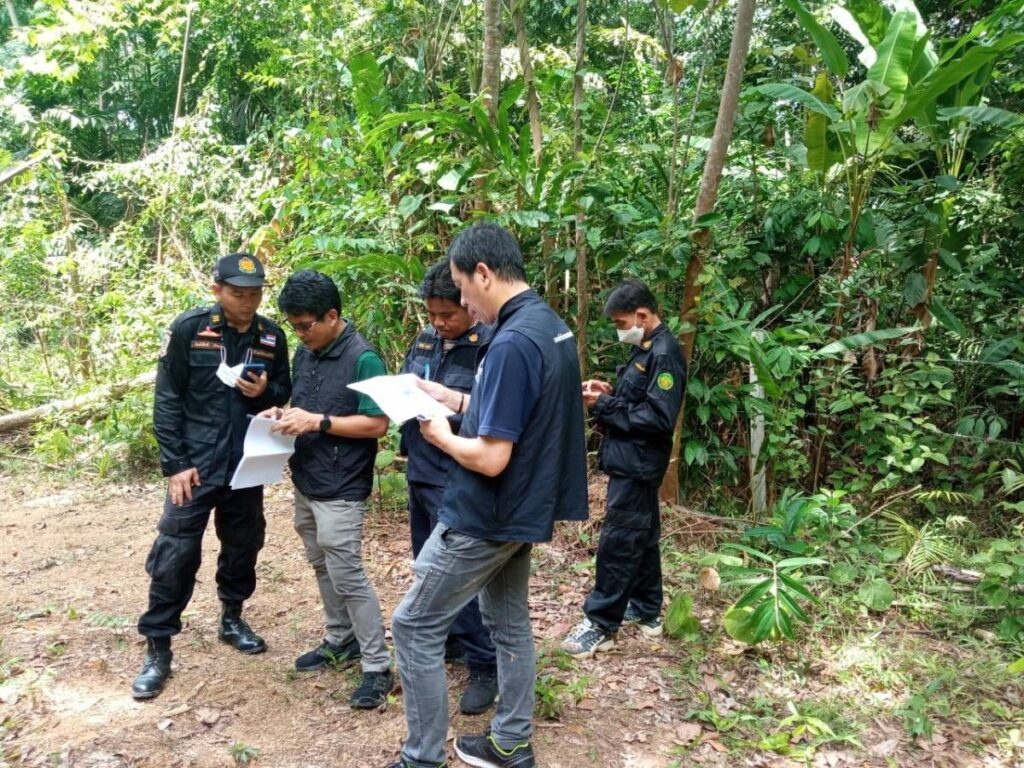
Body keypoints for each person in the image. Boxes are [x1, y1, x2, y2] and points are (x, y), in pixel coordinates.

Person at [388, 222, 588, 768]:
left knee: (414, 625)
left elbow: (492, 456)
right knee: (508, 623)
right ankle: (511, 742)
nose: (463, 303)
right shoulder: (547, 326)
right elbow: (512, 408)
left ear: (483, 273)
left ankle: (422, 757)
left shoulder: (511, 342)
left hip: (485, 514)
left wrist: (440, 435)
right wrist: (449, 396)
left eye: (461, 288)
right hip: (522, 509)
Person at [133, 253, 292, 700]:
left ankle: (232, 618)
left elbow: (284, 391)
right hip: (196, 465)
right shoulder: (190, 330)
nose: (248, 302)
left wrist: (267, 391)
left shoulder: (271, 336)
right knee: (175, 554)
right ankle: (158, 646)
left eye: (255, 294)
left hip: (246, 464)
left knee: (244, 544)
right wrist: (175, 464)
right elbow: (167, 399)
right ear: (217, 290)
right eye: (238, 293)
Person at [259, 269, 394, 709]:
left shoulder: (364, 358)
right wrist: (284, 413)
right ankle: (341, 639)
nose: (299, 335)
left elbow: (377, 424)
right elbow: (306, 405)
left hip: (342, 485)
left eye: (305, 326)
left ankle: (377, 666)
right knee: (321, 564)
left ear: (331, 316)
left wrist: (318, 422)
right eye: (294, 326)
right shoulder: (307, 352)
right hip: (308, 477)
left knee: (348, 574)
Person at [561, 279, 686, 658]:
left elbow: (659, 417)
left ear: (642, 315)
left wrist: (602, 406)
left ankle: (600, 623)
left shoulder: (664, 354)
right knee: (641, 535)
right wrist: (609, 393)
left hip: (638, 463)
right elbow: (640, 400)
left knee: (618, 542)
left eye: (621, 322)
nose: (620, 330)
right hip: (632, 460)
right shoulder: (645, 347)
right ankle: (647, 609)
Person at [399, 260, 498, 715]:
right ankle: (452, 641)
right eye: (431, 314)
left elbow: (493, 411)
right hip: (421, 468)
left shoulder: (490, 344)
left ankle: (485, 663)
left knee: (457, 573)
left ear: (467, 304)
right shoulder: (425, 338)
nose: (438, 324)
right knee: (427, 564)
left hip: (458, 475)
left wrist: (450, 405)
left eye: (447, 315)